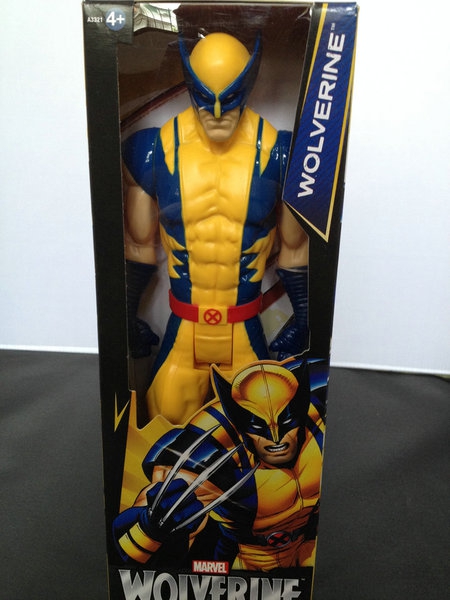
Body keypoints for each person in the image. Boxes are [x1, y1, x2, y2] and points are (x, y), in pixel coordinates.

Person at [123, 32, 309, 424]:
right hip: (183, 332)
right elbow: (138, 245)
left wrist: (305, 320)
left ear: (249, 83)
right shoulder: (155, 150)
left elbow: (295, 249)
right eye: (206, 97)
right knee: (162, 429)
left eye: (230, 96)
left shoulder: (281, 154)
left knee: (264, 437)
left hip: (244, 331)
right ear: (190, 87)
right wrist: (124, 315)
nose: (218, 111)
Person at [112, 359, 323, 571]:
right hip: (247, 561)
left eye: (286, 421)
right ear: (239, 421)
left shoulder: (318, 415)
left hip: (311, 549)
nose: (276, 439)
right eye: (259, 426)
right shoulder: (211, 446)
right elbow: (132, 541)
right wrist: (150, 526)